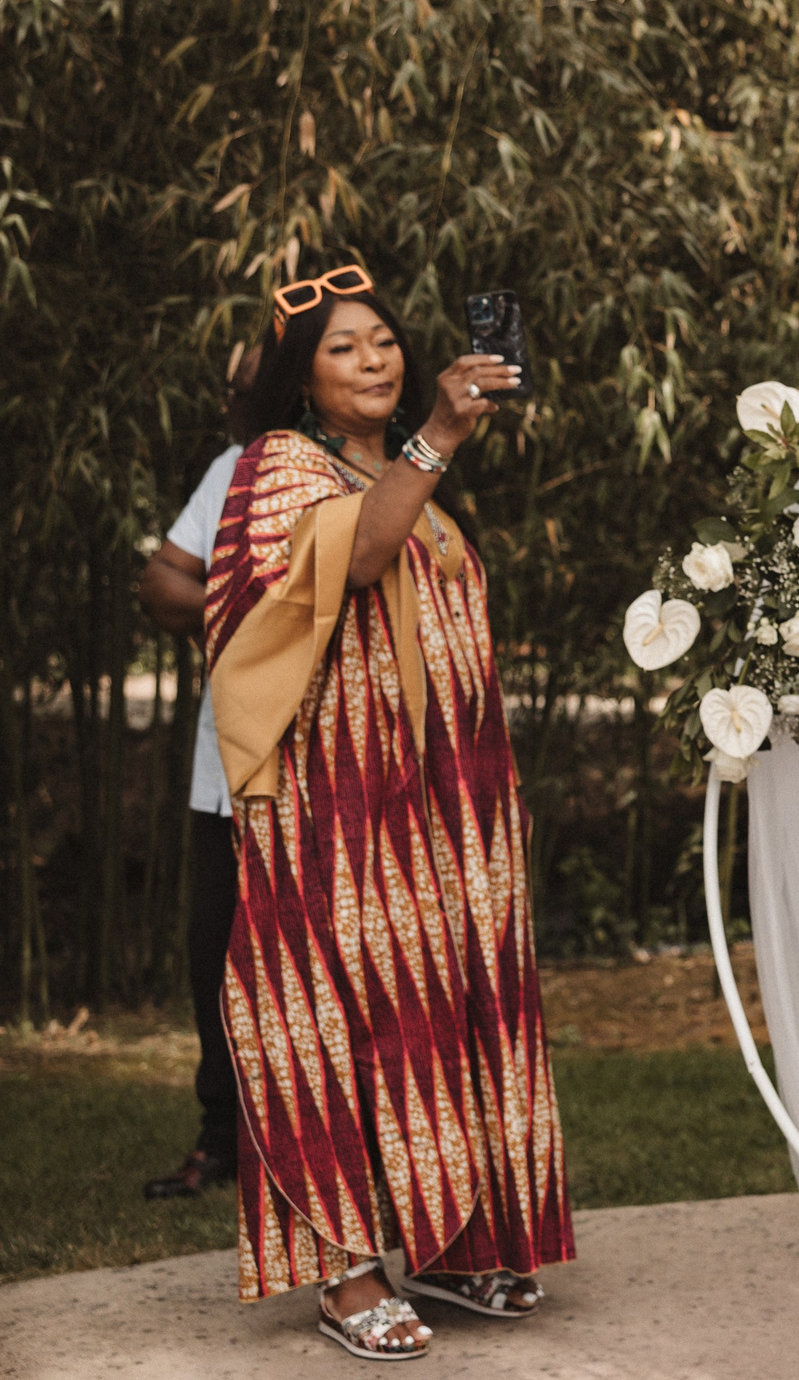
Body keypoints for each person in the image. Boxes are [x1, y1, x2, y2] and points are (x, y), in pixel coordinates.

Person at [207, 264, 571, 1360]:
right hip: (337, 808)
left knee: (444, 1006)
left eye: (383, 342)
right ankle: (346, 1267)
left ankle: (452, 1235)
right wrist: (437, 439)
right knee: (338, 1015)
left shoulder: (392, 468)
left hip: (441, 810)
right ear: (299, 378)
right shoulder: (279, 466)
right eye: (343, 349)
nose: (376, 362)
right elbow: (356, 563)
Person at [136, 351, 255, 1202]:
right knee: (215, 959)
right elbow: (159, 581)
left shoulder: (387, 464)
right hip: (229, 769)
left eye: (246, 382)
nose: (230, 398)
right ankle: (224, 1139)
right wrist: (256, 602)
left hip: (343, 777)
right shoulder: (235, 470)